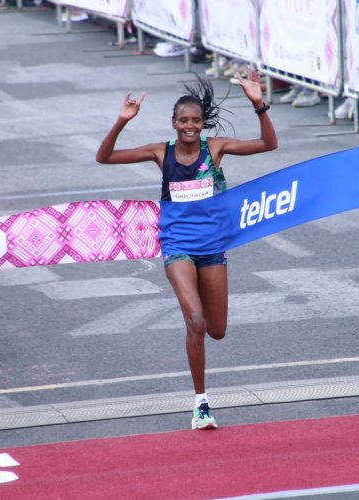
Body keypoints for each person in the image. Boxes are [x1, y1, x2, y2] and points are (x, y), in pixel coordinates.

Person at [95, 67, 278, 429]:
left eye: (196, 120)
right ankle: (201, 405)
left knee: (216, 329)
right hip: (177, 246)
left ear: (202, 124)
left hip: (213, 248)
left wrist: (258, 105)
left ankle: (201, 381)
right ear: (174, 124)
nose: (190, 125)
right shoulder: (160, 154)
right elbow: (104, 157)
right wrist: (121, 121)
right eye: (183, 120)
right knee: (194, 320)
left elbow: (269, 145)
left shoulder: (216, 148)